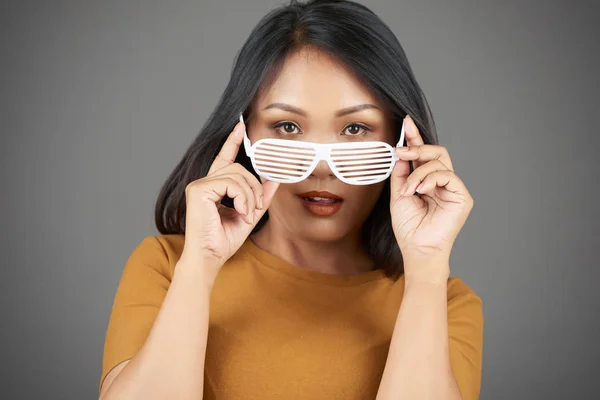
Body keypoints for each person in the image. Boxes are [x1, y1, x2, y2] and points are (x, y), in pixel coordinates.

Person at [99, 0, 483, 399]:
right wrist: (200, 266)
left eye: (355, 129)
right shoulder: (166, 267)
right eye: (287, 126)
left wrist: (426, 268)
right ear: (244, 136)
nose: (322, 169)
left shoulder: (447, 303)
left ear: (401, 142)